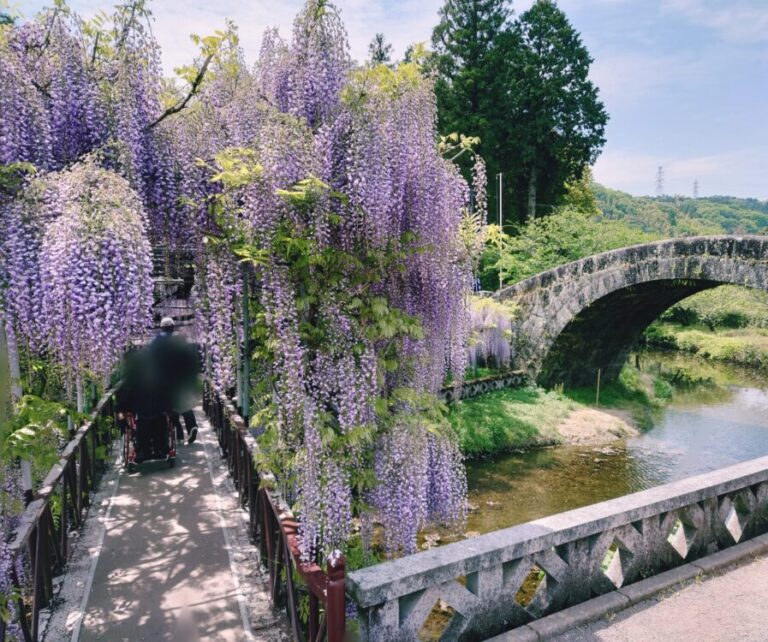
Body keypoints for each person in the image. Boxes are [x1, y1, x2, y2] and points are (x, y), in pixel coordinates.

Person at [148, 317, 201, 444]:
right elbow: (190, 361)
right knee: (185, 406)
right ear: (173, 328)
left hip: (163, 382)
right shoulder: (179, 340)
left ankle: (178, 434)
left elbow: (150, 361)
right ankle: (191, 426)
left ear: (161, 328)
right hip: (181, 381)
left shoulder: (156, 342)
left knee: (169, 409)